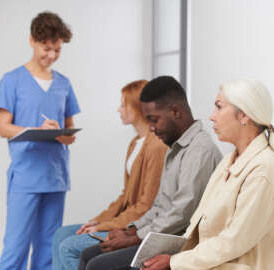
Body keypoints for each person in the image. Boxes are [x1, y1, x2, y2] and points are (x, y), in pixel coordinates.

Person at [141, 79, 274, 270]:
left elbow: (233, 242)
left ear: (244, 116)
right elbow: (198, 224)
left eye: (218, 107)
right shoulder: (230, 161)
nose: (211, 117)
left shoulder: (265, 171)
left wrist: (174, 262)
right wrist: (171, 256)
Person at [78, 76, 223, 270]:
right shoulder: (174, 148)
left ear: (175, 112)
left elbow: (181, 214)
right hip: (159, 237)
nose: (152, 128)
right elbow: (159, 206)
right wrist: (131, 230)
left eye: (154, 120)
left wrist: (135, 238)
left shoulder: (199, 151)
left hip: (179, 246)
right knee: (89, 255)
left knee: (98, 266)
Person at [52, 80, 168, 270]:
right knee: (60, 235)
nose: (118, 109)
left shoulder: (156, 147)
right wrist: (97, 221)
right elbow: (125, 195)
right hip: (122, 221)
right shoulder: (135, 143)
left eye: (123, 104)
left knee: (69, 246)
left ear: (138, 108)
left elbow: (145, 206)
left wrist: (104, 227)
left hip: (134, 227)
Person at [0, 12, 80, 270]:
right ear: (32, 40)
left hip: (55, 177)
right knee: (16, 247)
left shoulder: (64, 84)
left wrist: (59, 132)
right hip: (25, 177)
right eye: (47, 48)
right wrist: (34, 129)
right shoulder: (12, 81)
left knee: (47, 248)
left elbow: (70, 136)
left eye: (57, 50)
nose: (52, 55)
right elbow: (3, 127)